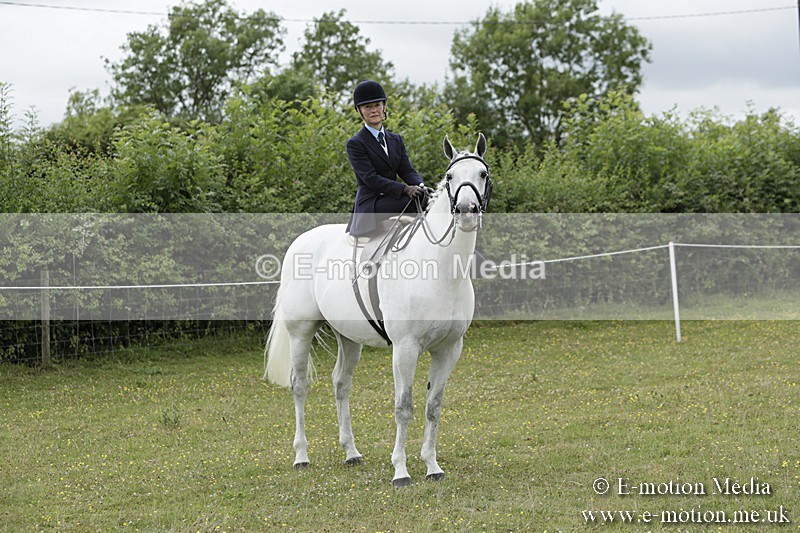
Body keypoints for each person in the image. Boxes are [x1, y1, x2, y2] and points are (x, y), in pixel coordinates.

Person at [345, 80, 427, 237]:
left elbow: (407, 170)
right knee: (414, 202)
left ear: (384, 107)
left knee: (427, 199)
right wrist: (404, 189)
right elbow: (371, 179)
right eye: (367, 107)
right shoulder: (355, 143)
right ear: (359, 111)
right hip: (371, 204)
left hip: (391, 198)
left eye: (377, 105)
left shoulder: (396, 139)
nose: (373, 110)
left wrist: (421, 186)